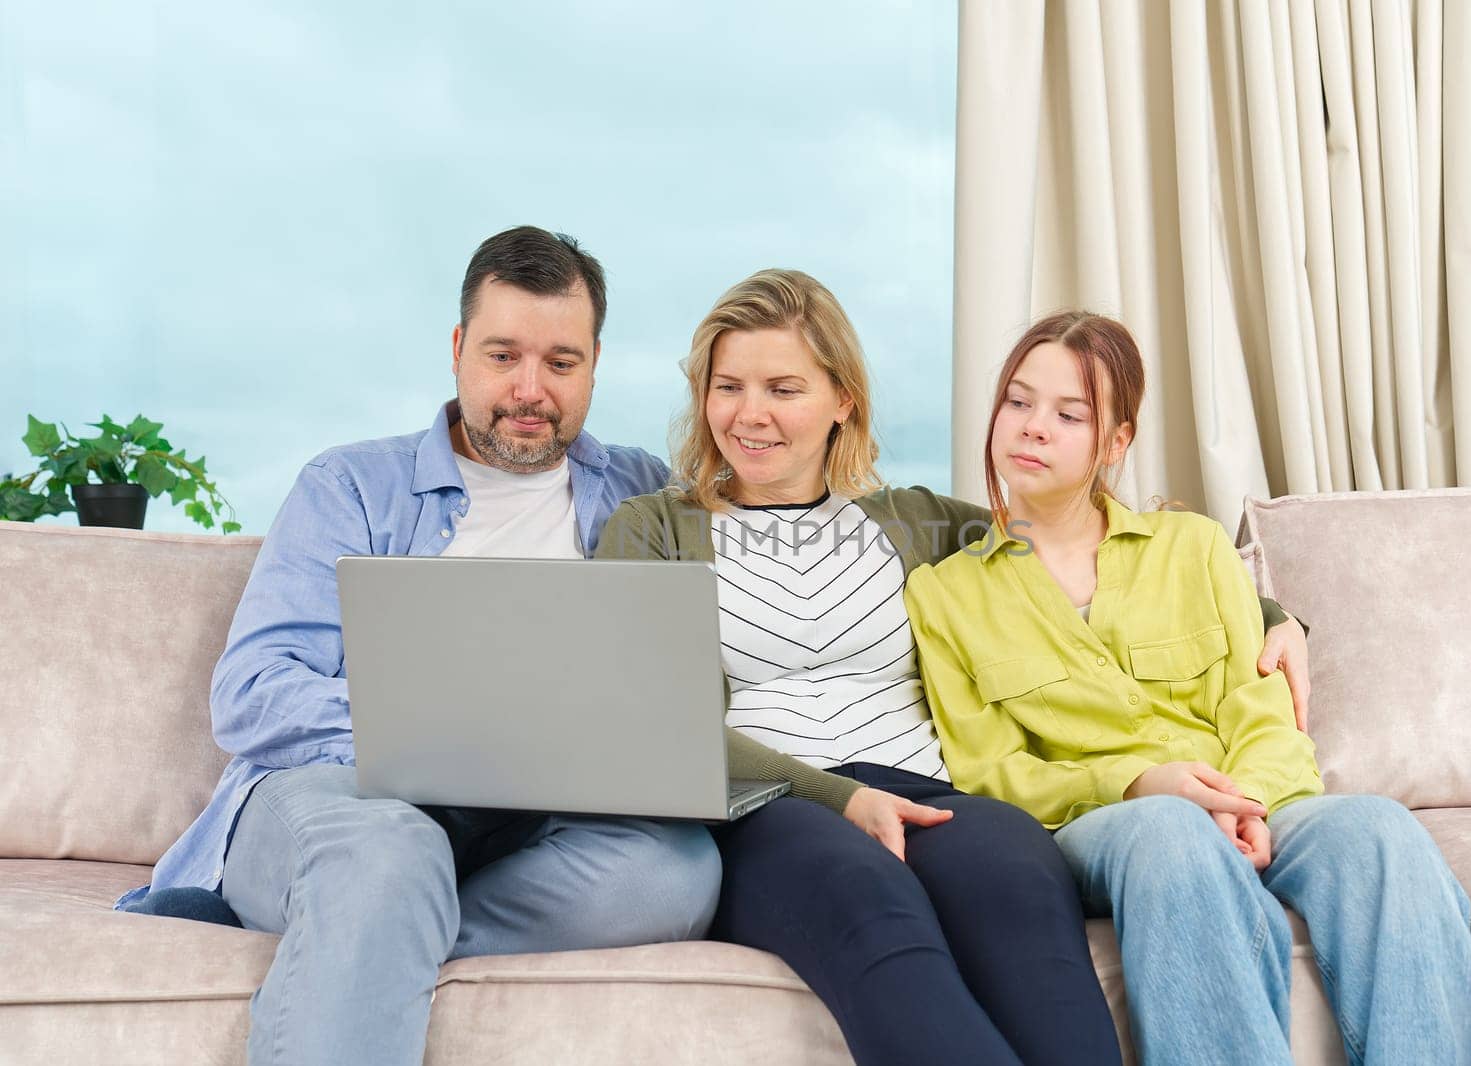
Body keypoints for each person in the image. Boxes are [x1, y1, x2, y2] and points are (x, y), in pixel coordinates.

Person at [597, 270, 1312, 1066]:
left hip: (934, 796)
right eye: (726, 386)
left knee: (1019, 884)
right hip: (772, 807)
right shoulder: (654, 528)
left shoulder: (919, 522)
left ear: (844, 400)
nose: (748, 413)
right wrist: (843, 797)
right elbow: (653, 719)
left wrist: (1279, 619)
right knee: (873, 908)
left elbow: (1080, 543)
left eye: (782, 387)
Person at [115, 226, 721, 1066]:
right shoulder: (351, 485)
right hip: (349, 798)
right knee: (389, 853)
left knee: (674, 874)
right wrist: (439, 736)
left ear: (595, 363)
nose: (529, 389)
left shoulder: (643, 489)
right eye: (503, 355)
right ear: (456, 348)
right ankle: (369, 900)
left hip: (543, 821)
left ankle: (361, 928)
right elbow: (253, 690)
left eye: (561, 362)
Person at [904, 311, 1471, 1066]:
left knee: (1378, 830)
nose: (1033, 428)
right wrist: (1143, 784)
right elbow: (989, 771)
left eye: (1068, 413)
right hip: (1106, 826)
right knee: (1171, 834)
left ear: (1116, 443)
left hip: (1255, 802)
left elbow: (1262, 712)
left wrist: (1241, 806)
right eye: (1017, 403)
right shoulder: (943, 594)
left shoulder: (1195, 547)